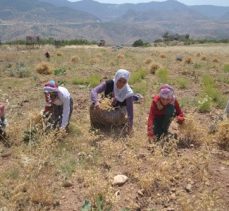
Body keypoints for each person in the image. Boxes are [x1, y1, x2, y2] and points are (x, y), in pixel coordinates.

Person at [91, 69, 135, 134]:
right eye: (119, 81)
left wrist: (130, 127)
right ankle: (97, 126)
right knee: (93, 107)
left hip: (119, 111)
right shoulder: (109, 83)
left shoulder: (128, 92)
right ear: (116, 78)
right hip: (107, 108)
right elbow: (94, 91)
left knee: (114, 117)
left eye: (124, 82)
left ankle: (113, 126)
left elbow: (130, 112)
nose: (121, 84)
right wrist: (96, 102)